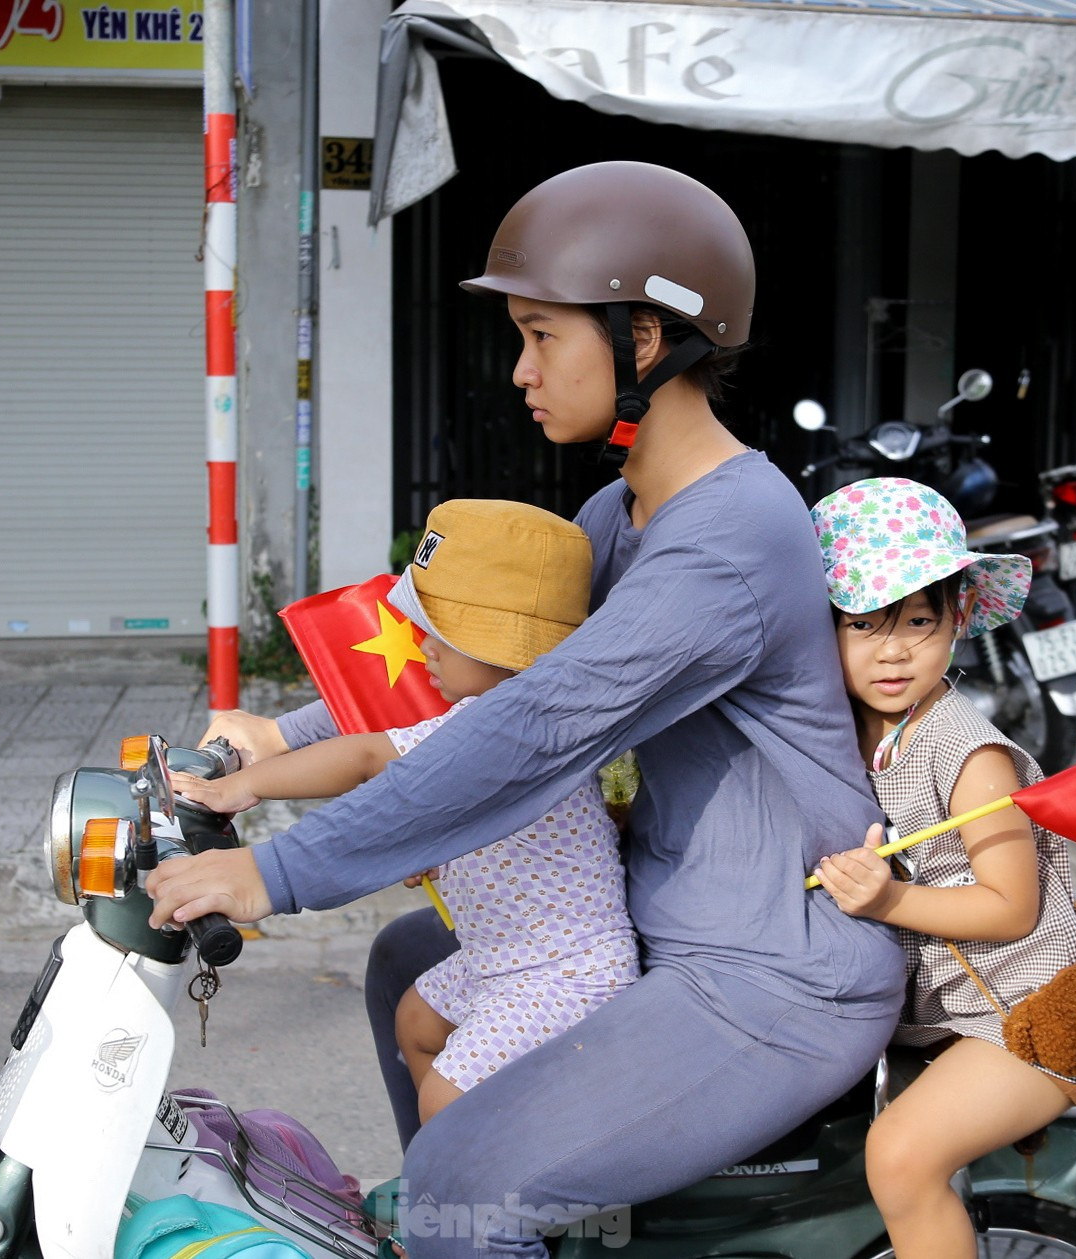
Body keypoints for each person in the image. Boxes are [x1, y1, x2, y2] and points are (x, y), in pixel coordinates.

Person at [147, 161, 906, 1259]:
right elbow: (477, 666)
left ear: (642, 339)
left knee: (462, 1180)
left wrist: (280, 870)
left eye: (543, 335)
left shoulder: (730, 537)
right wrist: (275, 740)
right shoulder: (623, 507)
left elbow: (536, 725)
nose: (519, 370)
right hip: (674, 920)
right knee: (409, 961)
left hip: (769, 976)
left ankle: (469, 1228)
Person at [170, 499, 639, 1126]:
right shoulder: (519, 717)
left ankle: (477, 1195)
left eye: (441, 632)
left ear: (501, 647)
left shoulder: (498, 727)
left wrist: (241, 788)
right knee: (417, 1025)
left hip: (561, 973)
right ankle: (447, 1160)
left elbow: (367, 758)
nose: (422, 645)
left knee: (444, 1096)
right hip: (504, 955)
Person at [809, 477, 1076, 1259]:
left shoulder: (967, 751)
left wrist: (885, 900)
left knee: (901, 1155)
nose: (892, 649)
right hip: (949, 1016)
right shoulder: (853, 727)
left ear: (956, 619)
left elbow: (1009, 908)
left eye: (917, 621)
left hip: (1034, 1014)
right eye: (862, 624)